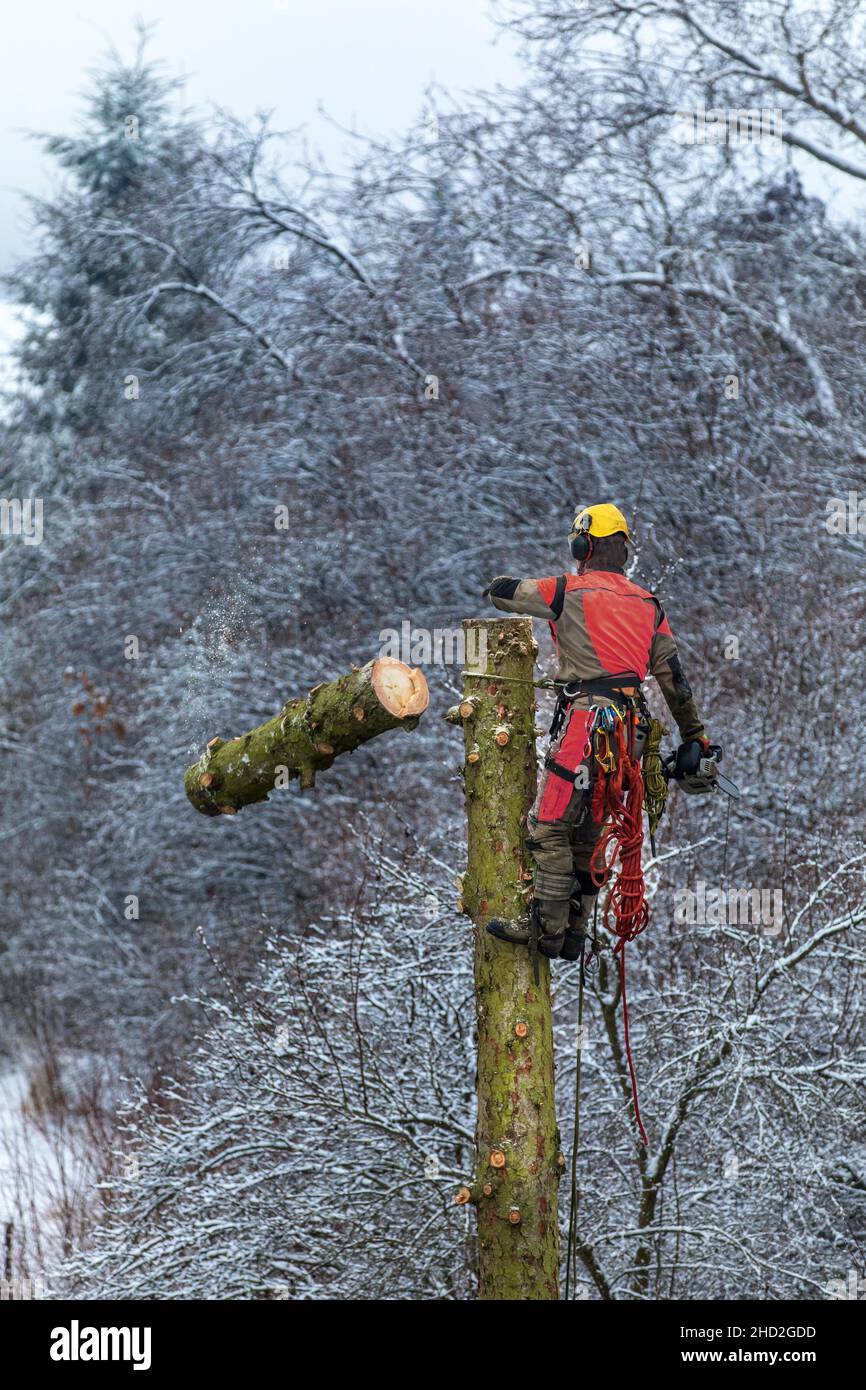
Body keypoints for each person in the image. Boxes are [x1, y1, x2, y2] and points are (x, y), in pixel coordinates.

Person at [483, 503, 714, 961]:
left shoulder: (566, 590)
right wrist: (697, 737)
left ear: (583, 545)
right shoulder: (649, 605)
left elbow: (503, 594)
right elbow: (675, 681)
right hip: (630, 733)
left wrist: (498, 584)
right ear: (624, 550)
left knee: (546, 826)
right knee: (589, 833)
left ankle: (545, 929)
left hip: (588, 723)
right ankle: (576, 931)